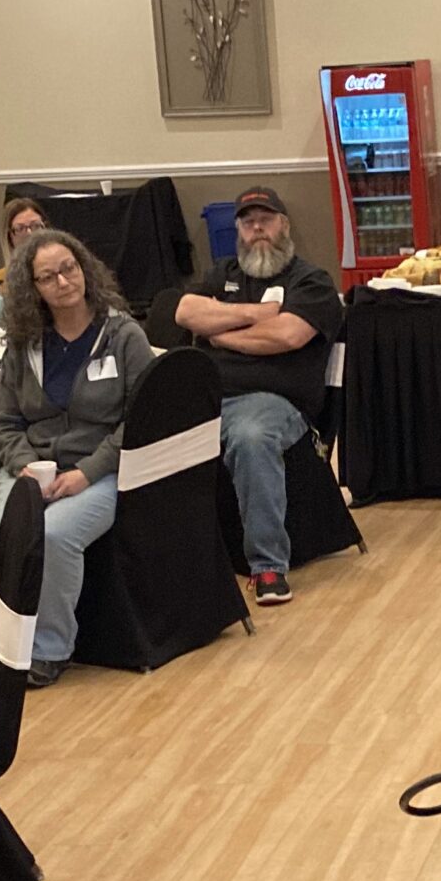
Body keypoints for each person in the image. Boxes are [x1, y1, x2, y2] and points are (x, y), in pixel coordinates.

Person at [0, 229, 156, 687]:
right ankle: (6, 646)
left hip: (102, 469)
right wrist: (23, 465)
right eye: (48, 277)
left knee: (57, 535)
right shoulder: (24, 344)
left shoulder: (122, 335)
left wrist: (88, 471)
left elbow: (143, 420)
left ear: (84, 270)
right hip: (33, 466)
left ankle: (50, 650)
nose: (63, 282)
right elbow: (4, 420)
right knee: (1, 533)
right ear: (33, 289)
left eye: (69, 269)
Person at [173, 187, 342, 604]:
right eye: (249, 222)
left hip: (275, 401)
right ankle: (172, 570)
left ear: (284, 225)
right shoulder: (224, 273)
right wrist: (257, 315)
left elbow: (288, 335)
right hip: (207, 398)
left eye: (266, 219)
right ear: (238, 232)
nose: (258, 228)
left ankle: (267, 567)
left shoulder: (311, 280)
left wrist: (219, 332)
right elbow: (185, 312)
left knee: (251, 438)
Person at [0, 196, 47, 285]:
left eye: (35, 226)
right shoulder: (0, 280)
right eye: (20, 228)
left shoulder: (63, 272)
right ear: (9, 237)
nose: (29, 233)